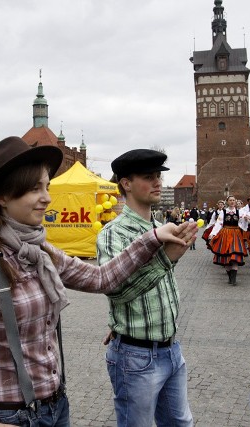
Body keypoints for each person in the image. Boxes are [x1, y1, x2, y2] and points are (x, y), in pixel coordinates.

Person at [0, 137, 196, 427]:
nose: (47, 197)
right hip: (11, 414)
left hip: (55, 406)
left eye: (46, 186)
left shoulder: (41, 252)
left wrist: (153, 238)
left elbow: (100, 278)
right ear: (3, 196)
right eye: (35, 189)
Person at [96, 149, 194, 427]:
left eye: (158, 177)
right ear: (126, 183)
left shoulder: (163, 227)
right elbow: (116, 290)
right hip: (137, 356)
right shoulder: (113, 233)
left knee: (180, 423)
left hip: (171, 349)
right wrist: (166, 259)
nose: (158, 183)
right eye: (148, 177)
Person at [209, 195, 250, 285]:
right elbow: (218, 223)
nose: (232, 202)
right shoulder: (223, 212)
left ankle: (233, 279)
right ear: (227, 202)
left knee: (235, 255)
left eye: (233, 200)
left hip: (236, 234)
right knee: (226, 256)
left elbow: (244, 222)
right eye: (230, 200)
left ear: (235, 202)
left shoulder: (240, 212)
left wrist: (247, 219)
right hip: (225, 234)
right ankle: (230, 277)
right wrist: (213, 233)